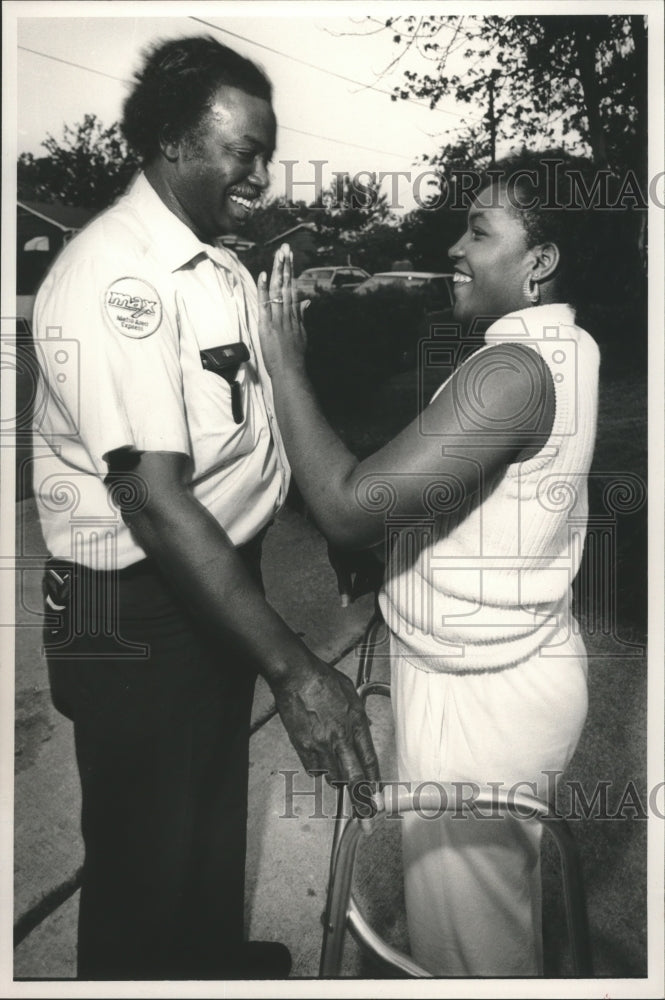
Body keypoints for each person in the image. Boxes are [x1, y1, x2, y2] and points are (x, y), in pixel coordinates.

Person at [32, 35, 379, 981]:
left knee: (212, 813)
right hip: (135, 600)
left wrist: (344, 528)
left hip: (215, 580)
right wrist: (294, 668)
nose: (262, 175)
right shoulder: (115, 280)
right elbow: (152, 500)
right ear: (174, 142)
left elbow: (258, 436)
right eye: (244, 151)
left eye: (268, 151)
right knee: (145, 856)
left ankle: (209, 963)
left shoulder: (214, 268)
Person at [256, 156, 604, 976]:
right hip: (498, 675)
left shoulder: (511, 371)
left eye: (479, 231)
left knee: (471, 962)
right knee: (483, 930)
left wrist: (283, 367)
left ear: (539, 263)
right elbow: (452, 498)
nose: (454, 246)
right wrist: (393, 554)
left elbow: (347, 502)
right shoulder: (568, 346)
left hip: (483, 703)